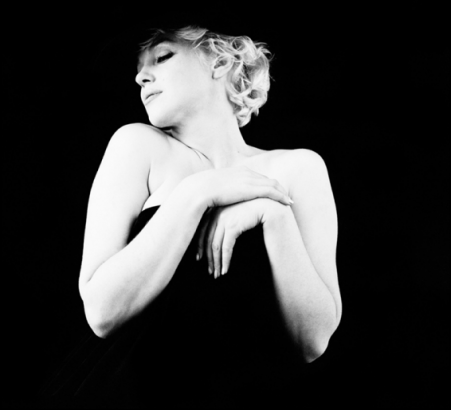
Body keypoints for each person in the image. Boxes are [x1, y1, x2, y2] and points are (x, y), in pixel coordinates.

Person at [41, 25, 341, 409]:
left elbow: (313, 341)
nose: (141, 76)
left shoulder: (299, 168)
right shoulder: (137, 145)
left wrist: (274, 215)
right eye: (139, 67)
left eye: (162, 56)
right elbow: (102, 313)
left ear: (219, 61)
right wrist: (198, 192)